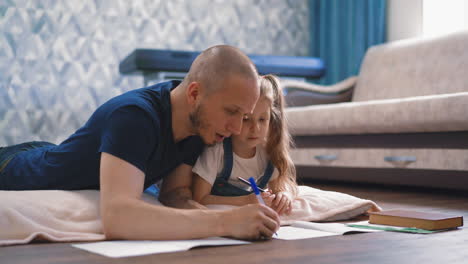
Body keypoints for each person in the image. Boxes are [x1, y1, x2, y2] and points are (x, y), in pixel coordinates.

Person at [0, 45, 280, 240]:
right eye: (232, 112)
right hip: (16, 166)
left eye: (243, 116)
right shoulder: (135, 116)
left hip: (52, 149)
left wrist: (212, 217)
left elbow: (174, 194)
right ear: (195, 93)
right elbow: (118, 217)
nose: (235, 129)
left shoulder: (201, 126)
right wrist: (224, 222)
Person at [192, 74, 298, 215]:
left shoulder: (268, 152)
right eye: (246, 119)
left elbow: (283, 186)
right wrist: (246, 200)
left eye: (262, 119)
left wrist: (285, 195)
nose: (255, 128)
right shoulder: (217, 150)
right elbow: (199, 198)